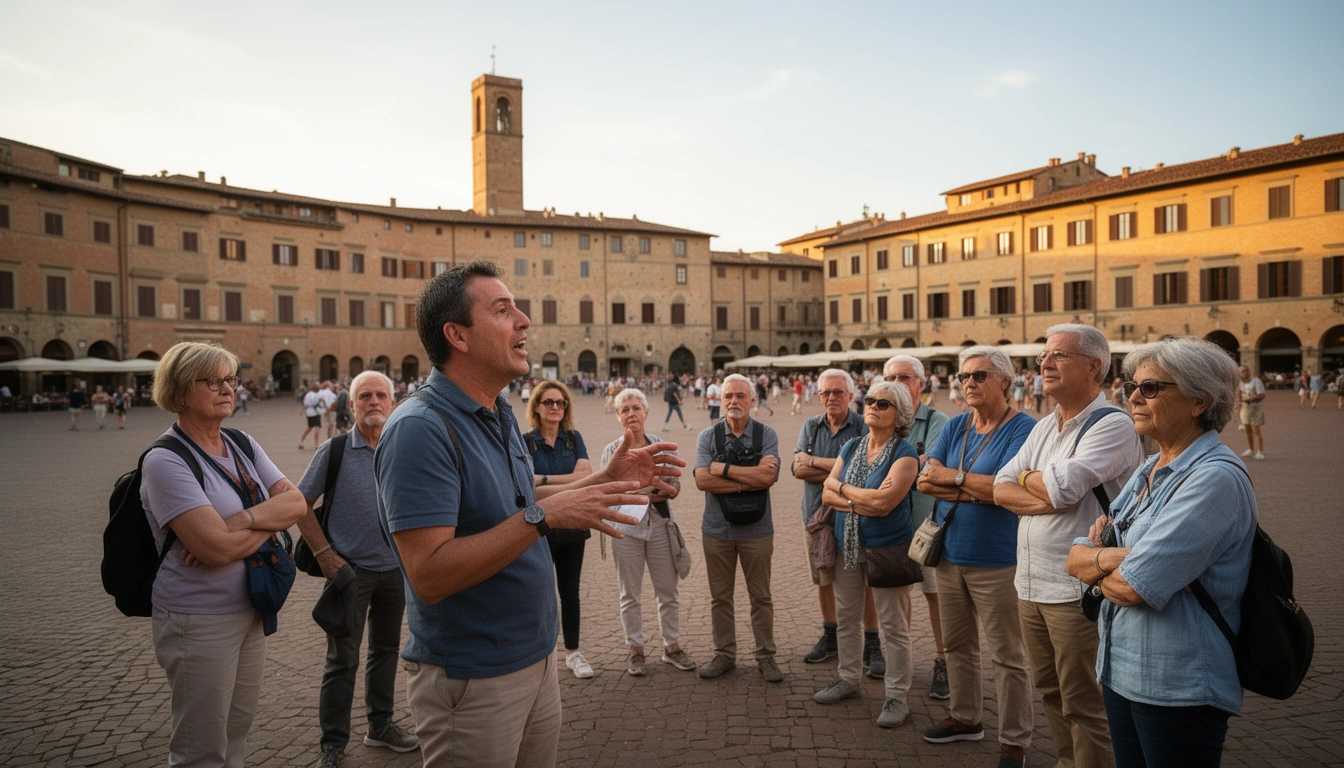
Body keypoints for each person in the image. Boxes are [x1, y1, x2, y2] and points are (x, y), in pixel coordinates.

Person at [374, 261, 685, 768]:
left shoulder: (496, 412)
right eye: (503, 310)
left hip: (535, 660)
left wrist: (608, 478)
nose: (524, 320)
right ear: (458, 335)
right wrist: (544, 517)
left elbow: (517, 508)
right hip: (473, 676)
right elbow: (428, 575)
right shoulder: (420, 428)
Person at [1065, 337, 1255, 768]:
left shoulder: (1214, 479)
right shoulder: (1150, 468)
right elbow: (1075, 555)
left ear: (1198, 401)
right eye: (1132, 384)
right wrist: (1120, 557)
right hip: (1121, 669)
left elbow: (1133, 587)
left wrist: (1105, 558)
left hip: (1177, 682)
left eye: (1150, 388)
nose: (1131, 395)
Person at [140, 341, 307, 768]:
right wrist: (262, 522)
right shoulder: (165, 460)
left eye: (230, 379)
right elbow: (215, 550)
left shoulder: (240, 442)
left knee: (236, 731)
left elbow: (297, 504)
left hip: (251, 608)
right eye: (212, 381)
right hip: (198, 620)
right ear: (179, 390)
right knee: (201, 747)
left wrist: (237, 522)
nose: (227, 388)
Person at [994, 325, 1144, 768]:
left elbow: (1064, 487)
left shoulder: (1114, 425)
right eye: (1044, 356)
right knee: (1050, 691)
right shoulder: (1044, 427)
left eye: (1058, 355)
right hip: (1030, 584)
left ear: (1093, 367)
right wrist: (1033, 485)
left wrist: (1030, 481)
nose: (1045, 364)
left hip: (1075, 590)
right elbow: (1001, 490)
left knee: (1083, 701)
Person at [916, 346, 1036, 768]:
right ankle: (966, 718)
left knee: (1008, 653)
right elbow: (926, 479)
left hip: (998, 558)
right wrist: (974, 487)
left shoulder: (1024, 429)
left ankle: (1014, 740)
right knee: (957, 644)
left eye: (979, 376)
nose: (968, 383)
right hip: (949, 553)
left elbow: (1006, 491)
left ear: (1005, 380)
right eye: (964, 377)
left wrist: (959, 480)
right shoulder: (957, 426)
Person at [296, 371, 417, 768]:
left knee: (385, 651)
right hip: (351, 573)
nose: (374, 402)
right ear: (351, 405)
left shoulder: (404, 448)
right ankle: (332, 743)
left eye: (381, 395)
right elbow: (300, 504)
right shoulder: (333, 451)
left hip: (396, 570)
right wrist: (327, 556)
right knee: (342, 659)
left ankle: (380, 725)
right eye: (364, 395)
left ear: (393, 402)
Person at [812, 380, 921, 729]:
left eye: (883, 403)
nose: (872, 405)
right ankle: (847, 678)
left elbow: (885, 504)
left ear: (900, 414)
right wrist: (857, 496)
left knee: (894, 626)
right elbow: (826, 496)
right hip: (847, 546)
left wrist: (842, 490)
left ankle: (897, 696)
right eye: (870, 400)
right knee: (846, 617)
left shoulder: (904, 454)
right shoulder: (852, 445)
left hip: (887, 549)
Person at [792, 369, 884, 675]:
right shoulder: (811, 426)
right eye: (825, 393)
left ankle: (872, 641)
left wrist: (815, 462)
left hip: (851, 517)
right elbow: (797, 470)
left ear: (850, 395)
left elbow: (865, 468)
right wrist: (840, 470)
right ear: (818, 396)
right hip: (816, 518)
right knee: (824, 578)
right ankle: (830, 634)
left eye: (837, 392)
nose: (831, 397)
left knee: (864, 582)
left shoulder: (862, 425)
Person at [694, 373, 783, 683]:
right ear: (720, 400)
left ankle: (766, 656)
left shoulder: (766, 434)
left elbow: (767, 479)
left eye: (741, 396)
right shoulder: (708, 436)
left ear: (753, 401)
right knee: (720, 597)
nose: (734, 401)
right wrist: (749, 478)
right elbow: (701, 480)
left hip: (757, 531)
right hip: (716, 531)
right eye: (729, 396)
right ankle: (724, 654)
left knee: (761, 597)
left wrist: (725, 471)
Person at [602, 387, 697, 676]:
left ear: (646, 412)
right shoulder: (611, 451)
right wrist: (653, 487)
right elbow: (608, 492)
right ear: (618, 417)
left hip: (658, 525)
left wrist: (636, 489)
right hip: (625, 528)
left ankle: (672, 646)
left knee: (667, 591)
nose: (631, 414)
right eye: (625, 409)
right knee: (629, 594)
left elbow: (674, 488)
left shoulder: (663, 447)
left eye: (636, 408)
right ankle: (636, 650)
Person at [883, 354, 951, 700]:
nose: (896, 384)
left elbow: (930, 466)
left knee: (935, 595)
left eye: (904, 377)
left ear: (920, 384)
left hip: (927, 526)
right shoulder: (883, 418)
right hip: (891, 527)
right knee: (896, 599)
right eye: (890, 377)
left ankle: (943, 661)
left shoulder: (938, 420)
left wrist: (892, 473)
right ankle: (902, 662)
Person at [523, 380, 597, 679]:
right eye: (549, 402)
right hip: (538, 526)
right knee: (537, 592)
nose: (555, 407)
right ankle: (536, 655)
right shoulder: (525, 440)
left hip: (572, 524)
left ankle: (573, 652)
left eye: (560, 403)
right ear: (537, 407)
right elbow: (524, 482)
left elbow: (587, 478)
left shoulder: (573, 437)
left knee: (570, 592)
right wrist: (567, 479)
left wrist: (543, 479)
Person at [1237, 365, 1266, 460]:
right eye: (1242, 372)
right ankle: (1250, 449)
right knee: (1247, 430)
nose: (1244, 373)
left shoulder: (1256, 381)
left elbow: (1262, 395)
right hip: (1245, 408)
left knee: (1256, 430)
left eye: (1246, 371)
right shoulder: (1240, 383)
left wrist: (1250, 398)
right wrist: (1239, 402)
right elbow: (1239, 396)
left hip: (1255, 407)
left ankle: (1260, 452)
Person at [300, 383, 325, 450]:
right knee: (317, 428)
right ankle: (316, 444)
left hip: (309, 413)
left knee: (309, 428)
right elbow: (318, 403)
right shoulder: (316, 395)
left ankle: (301, 441)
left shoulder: (307, 395)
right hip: (316, 413)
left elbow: (304, 404)